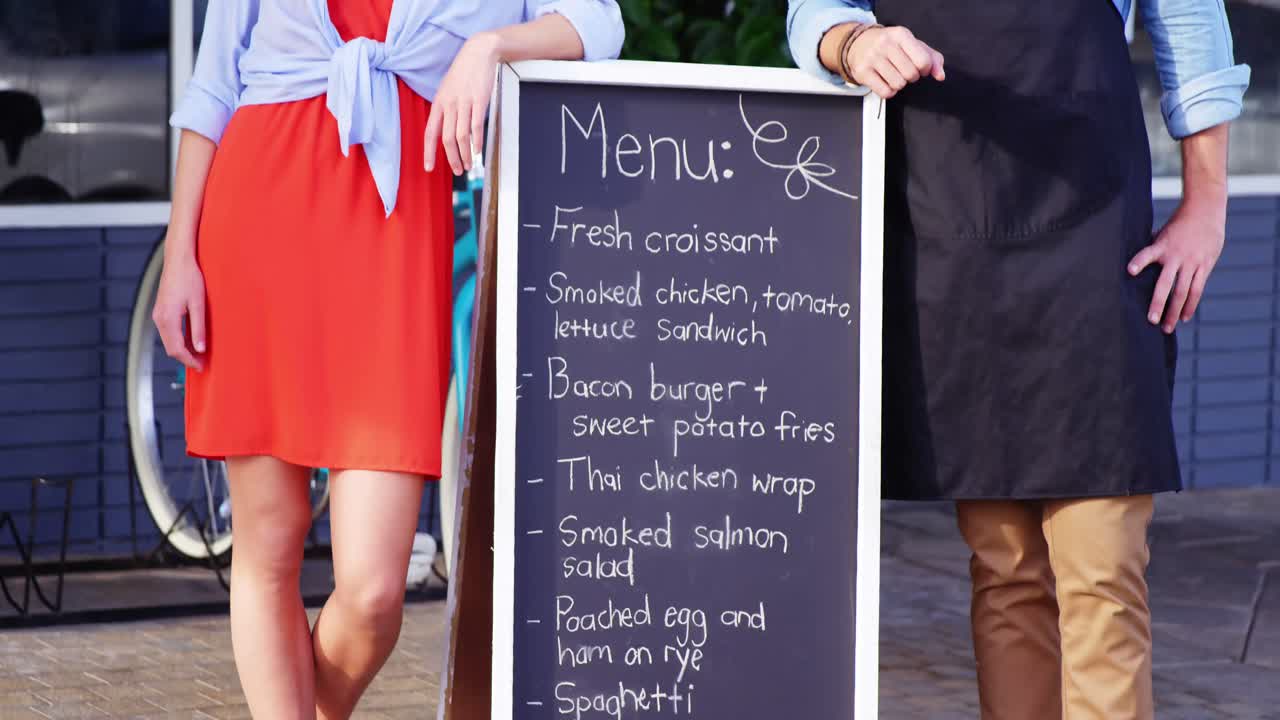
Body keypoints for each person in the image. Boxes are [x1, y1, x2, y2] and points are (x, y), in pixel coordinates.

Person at [155, 2, 623, 717]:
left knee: (373, 592)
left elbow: (600, 26)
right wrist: (179, 256)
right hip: (256, 219)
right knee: (268, 544)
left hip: (395, 239)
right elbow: (213, 87)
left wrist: (490, 48)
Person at [786, 0, 1248, 718]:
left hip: (1095, 223)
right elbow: (812, 11)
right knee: (1006, 571)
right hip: (949, 216)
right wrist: (854, 44)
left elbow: (1187, 16)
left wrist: (1207, 203)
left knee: (1103, 569)